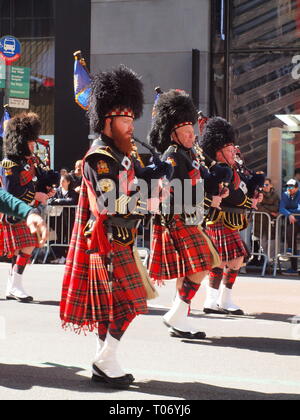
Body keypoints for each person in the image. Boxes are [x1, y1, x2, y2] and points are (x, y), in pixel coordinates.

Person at [60, 65, 171, 389]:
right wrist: (148, 191)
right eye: (125, 120)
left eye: (131, 119)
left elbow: (135, 185)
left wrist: (150, 176)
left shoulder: (122, 154)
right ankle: (105, 357)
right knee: (131, 303)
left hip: (121, 238)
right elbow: (114, 202)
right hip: (106, 240)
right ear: (107, 121)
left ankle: (104, 361)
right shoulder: (100, 158)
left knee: (113, 308)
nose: (130, 126)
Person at [148, 89, 227, 340]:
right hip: (177, 217)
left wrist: (217, 186)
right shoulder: (172, 155)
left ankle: (180, 317)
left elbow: (203, 178)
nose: (193, 136)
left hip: (193, 216)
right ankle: (177, 313)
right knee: (204, 262)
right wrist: (162, 182)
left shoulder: (192, 153)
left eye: (193, 132)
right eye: (187, 133)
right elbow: (167, 175)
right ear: (174, 134)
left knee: (189, 268)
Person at [200, 117, 263, 315]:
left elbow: (244, 187)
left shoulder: (234, 170)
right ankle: (211, 300)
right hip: (219, 218)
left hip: (232, 221)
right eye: (228, 150)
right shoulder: (218, 170)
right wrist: (248, 201)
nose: (233, 152)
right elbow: (234, 197)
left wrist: (256, 193)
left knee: (235, 259)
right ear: (218, 153)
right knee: (222, 259)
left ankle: (224, 299)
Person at [0, 112, 50, 302]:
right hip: (13, 213)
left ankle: (13, 285)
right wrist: (35, 195)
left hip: (26, 210)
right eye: (30, 142)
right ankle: (15, 285)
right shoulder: (8, 164)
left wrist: (45, 189)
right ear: (20, 142)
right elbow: (10, 192)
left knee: (22, 248)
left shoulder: (28, 163)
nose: (33, 145)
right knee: (27, 246)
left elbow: (33, 183)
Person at [48, 173, 79, 264]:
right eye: (61, 181)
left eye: (63, 181)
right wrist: (58, 201)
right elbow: (50, 200)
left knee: (68, 238)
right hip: (58, 219)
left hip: (69, 219)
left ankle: (67, 257)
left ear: (68, 182)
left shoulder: (72, 192)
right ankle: (60, 256)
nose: (61, 183)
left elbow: (72, 201)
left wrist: (59, 201)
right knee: (59, 238)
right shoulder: (56, 191)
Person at [254, 178, 279, 260]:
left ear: (271, 185)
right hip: (259, 221)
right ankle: (263, 261)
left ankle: (270, 261)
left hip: (271, 222)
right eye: (263, 185)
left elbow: (276, 207)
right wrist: (270, 212)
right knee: (261, 243)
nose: (265, 186)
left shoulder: (275, 195)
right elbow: (258, 206)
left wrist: (265, 208)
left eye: (267, 184)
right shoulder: (259, 194)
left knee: (271, 242)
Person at [279, 179, 300, 275]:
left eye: (291, 187)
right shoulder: (285, 194)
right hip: (294, 222)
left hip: (297, 219)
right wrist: (289, 214)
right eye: (287, 186)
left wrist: (290, 212)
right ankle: (294, 268)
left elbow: (299, 208)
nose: (289, 188)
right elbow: (281, 208)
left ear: (297, 188)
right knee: (289, 234)